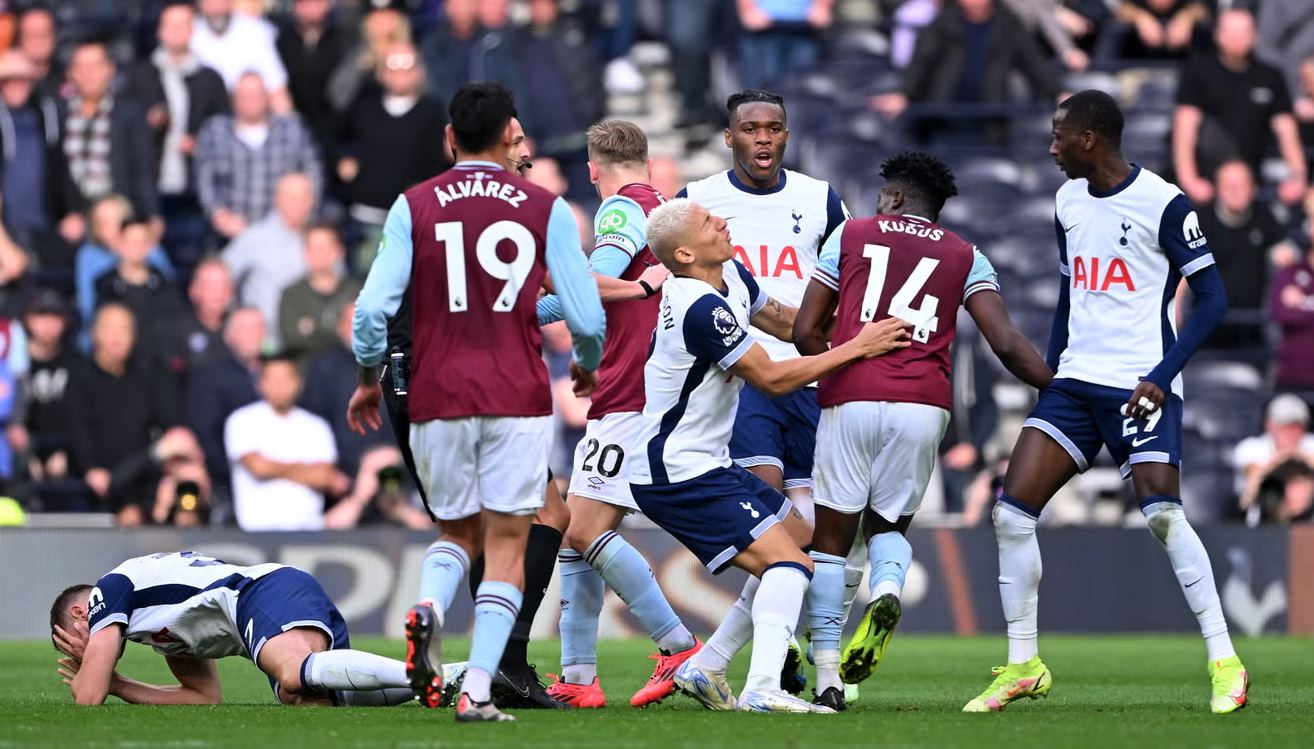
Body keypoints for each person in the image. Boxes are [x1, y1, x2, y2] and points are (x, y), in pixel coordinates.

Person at [962, 90, 1247, 714]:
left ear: (1090, 137)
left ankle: (1226, 661)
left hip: (1139, 385)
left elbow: (1214, 299)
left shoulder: (1164, 204)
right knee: (1011, 513)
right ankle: (1023, 664)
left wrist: (1162, 374)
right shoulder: (1067, 202)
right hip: (1075, 383)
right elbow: (1071, 295)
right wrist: (1055, 373)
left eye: (1059, 134)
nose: (1051, 145)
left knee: (1162, 514)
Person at [347, 83, 604, 721]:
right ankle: (481, 690)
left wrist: (363, 377)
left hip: (436, 390)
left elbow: (371, 312)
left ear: (450, 138)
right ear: (506, 139)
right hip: (514, 394)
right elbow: (586, 316)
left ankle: (428, 609)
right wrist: (587, 364)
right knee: (512, 544)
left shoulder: (414, 206)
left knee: (457, 531)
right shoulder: (543, 207)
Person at [792, 151, 1052, 711]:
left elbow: (803, 329)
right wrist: (1058, 389)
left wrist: (835, 367)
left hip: (852, 397)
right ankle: (887, 590)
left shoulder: (851, 234)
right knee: (889, 526)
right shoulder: (967, 255)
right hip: (924, 406)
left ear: (895, 197)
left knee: (832, 542)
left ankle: (830, 680)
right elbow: (1005, 342)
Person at [630, 198, 908, 714]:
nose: (724, 221)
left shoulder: (729, 273)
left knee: (801, 544)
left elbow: (783, 321)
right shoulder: (697, 306)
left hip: (706, 462)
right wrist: (856, 349)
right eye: (710, 222)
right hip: (677, 472)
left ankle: (708, 667)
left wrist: (854, 332)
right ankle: (762, 687)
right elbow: (772, 379)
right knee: (787, 564)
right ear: (687, 253)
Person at [678, 90, 864, 687]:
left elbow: (845, 283)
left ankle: (769, 644)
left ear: (787, 135)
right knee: (772, 525)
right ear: (728, 137)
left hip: (809, 377)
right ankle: (776, 655)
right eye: (750, 129)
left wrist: (839, 351)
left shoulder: (820, 199)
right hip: (742, 380)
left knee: (814, 531)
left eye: (774, 128)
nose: (763, 138)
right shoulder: (698, 201)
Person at [534, 120, 697, 709]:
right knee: (579, 537)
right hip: (643, 385)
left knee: (580, 529)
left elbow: (588, 282)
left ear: (593, 170)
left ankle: (678, 645)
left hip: (632, 389)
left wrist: (520, 313)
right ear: (649, 164)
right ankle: (578, 677)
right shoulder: (670, 207)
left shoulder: (622, 210)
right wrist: (528, 313)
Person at [50, 551, 414, 707]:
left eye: (68, 642)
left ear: (83, 614)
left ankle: (415, 673)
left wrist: (92, 672)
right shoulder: (159, 628)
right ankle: (447, 680)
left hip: (259, 593)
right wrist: (118, 684)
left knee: (292, 675)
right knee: (307, 698)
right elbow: (203, 697)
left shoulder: (107, 589)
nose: (75, 652)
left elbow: (87, 697)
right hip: (274, 595)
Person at [123, 1, 229, 272]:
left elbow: (225, 129)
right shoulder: (140, 77)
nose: (177, 32)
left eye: (184, 25)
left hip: (194, 192)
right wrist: (148, 124)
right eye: (171, 25)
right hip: (152, 189)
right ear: (160, 31)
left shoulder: (210, 78)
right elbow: (125, 132)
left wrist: (200, 142)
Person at [869, 0, 1063, 144]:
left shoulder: (1008, 23)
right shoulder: (943, 22)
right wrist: (905, 94)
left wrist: (1056, 93)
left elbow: (1033, 61)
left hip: (990, 118)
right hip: (945, 120)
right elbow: (922, 62)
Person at [68, 303, 188, 526]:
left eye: (124, 330)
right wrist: (90, 468)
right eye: (110, 328)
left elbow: (166, 423)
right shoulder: (80, 376)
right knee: (131, 516)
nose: (117, 336)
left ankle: (187, 540)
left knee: (188, 486)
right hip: (107, 480)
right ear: (95, 333)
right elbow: (77, 428)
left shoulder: (145, 377)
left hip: (145, 475)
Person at [1172, 8, 1307, 207]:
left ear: (1255, 36)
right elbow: (1185, 128)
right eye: (1230, 32)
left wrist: (1297, 177)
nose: (1236, 38)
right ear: (1217, 35)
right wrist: (1189, 180)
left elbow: (1287, 131)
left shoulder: (1270, 76)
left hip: (1251, 181)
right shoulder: (1198, 71)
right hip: (1204, 179)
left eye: (1244, 32)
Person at [335, 43, 448, 268]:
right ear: (381, 72)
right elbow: (340, 138)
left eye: (407, 65)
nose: (399, 72)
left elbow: (439, 162)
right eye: (392, 65)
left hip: (412, 222)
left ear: (419, 71)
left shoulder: (433, 112)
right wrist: (344, 159)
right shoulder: (363, 107)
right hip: (365, 219)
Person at [195, 73, 321, 241]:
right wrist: (219, 215)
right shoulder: (215, 130)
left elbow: (313, 174)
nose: (250, 100)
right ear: (233, 98)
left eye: (256, 95)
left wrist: (301, 215)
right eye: (244, 95)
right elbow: (203, 179)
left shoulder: (292, 130)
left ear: (267, 97)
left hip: (284, 231)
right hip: (228, 233)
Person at [225, 354, 343, 531]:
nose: (279, 386)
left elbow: (324, 476)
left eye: (286, 379)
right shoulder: (242, 420)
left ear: (299, 383)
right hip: (255, 531)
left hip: (308, 531)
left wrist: (273, 466)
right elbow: (259, 467)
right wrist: (305, 469)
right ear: (261, 384)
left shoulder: (317, 426)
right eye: (273, 379)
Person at [60, 40, 160, 234]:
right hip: (75, 215)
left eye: (96, 66)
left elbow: (142, 167)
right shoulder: (59, 112)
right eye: (81, 67)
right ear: (70, 73)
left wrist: (152, 214)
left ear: (110, 69)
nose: (89, 74)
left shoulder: (129, 112)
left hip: (120, 211)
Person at [1195, 160, 1295, 350]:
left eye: (1241, 184)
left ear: (1253, 188)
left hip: (1253, 325)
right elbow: (1181, 267)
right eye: (1228, 184)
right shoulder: (1200, 220)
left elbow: (1286, 255)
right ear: (1217, 188)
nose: (1234, 190)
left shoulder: (1264, 216)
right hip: (1206, 325)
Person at [0, 49, 81, 268]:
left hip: (45, 223)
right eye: (8, 81)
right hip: (6, 227)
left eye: (22, 80)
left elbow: (61, 169)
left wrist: (71, 210)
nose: (16, 86)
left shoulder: (47, 114)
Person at [221, 172, 315, 346]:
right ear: (276, 199)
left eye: (303, 196)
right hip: (264, 341)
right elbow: (221, 276)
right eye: (289, 196)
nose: (296, 203)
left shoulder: (320, 240)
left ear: (311, 201)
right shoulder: (254, 237)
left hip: (311, 339)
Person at [185, 307, 263, 509]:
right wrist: (235, 474)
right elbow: (207, 434)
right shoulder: (210, 377)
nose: (252, 334)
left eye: (258, 327)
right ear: (229, 335)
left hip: (276, 478)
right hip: (229, 483)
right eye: (244, 328)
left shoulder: (276, 373)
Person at [278, 222, 360, 365]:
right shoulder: (291, 294)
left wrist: (312, 328)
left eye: (323, 248)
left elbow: (364, 337)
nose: (317, 254)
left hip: (348, 374)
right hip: (304, 376)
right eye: (311, 248)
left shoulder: (357, 292)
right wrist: (341, 330)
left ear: (339, 251)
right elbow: (292, 338)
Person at [93, 218, 187, 338]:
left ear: (150, 245)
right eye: (131, 242)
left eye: (142, 242)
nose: (137, 248)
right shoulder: (105, 284)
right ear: (119, 243)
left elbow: (173, 327)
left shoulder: (164, 283)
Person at [192, 0, 290, 107]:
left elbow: (276, 87)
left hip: (248, 111)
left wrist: (287, 120)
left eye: (221, 3)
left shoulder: (256, 30)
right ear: (200, 5)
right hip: (204, 111)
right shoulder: (190, 31)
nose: (216, 10)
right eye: (210, 4)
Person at [1234, 394, 1314, 524]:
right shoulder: (1251, 447)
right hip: (1263, 515)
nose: (1291, 433)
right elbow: (1253, 475)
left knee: (1302, 480)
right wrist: (1286, 456)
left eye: (1297, 427)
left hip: (1306, 516)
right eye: (1284, 427)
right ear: (1269, 425)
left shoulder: (1310, 443)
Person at [735, 0, 834, 90]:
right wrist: (748, 8)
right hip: (762, 28)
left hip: (805, 27)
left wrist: (823, 6)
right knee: (762, 91)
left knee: (804, 87)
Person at [1269, 228, 1314, 393]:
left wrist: (1302, 301)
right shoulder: (1290, 273)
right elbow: (1280, 313)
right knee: (1283, 413)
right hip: (1294, 379)